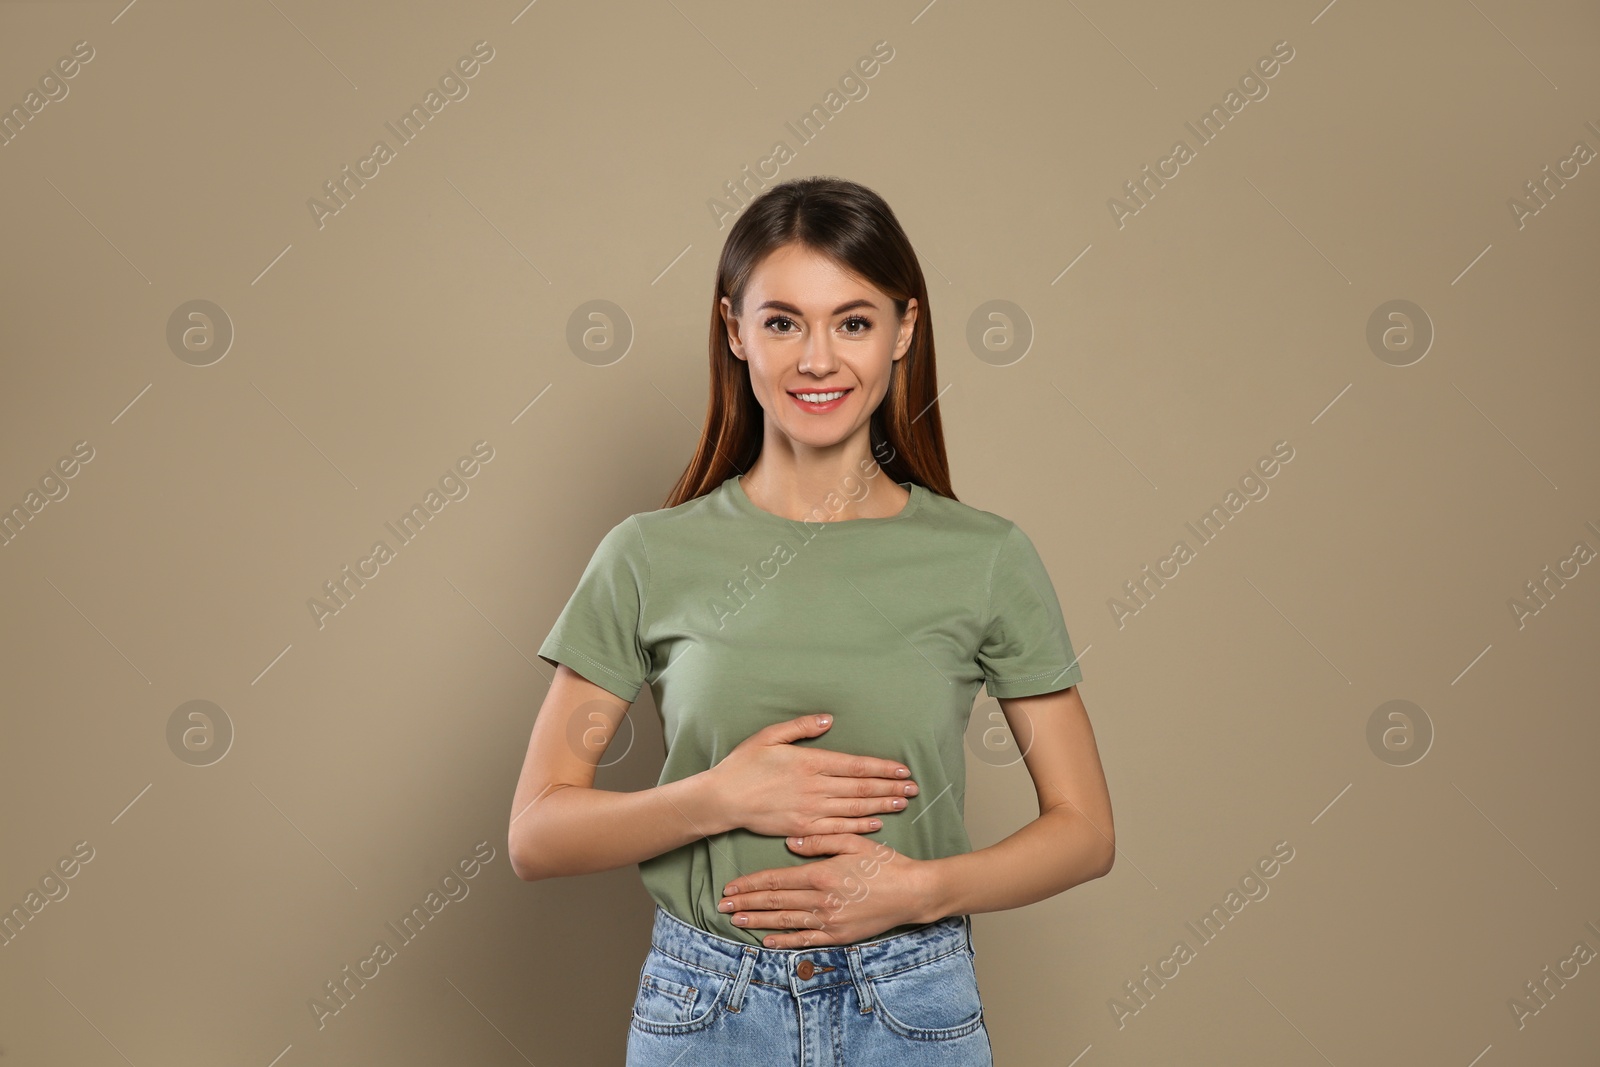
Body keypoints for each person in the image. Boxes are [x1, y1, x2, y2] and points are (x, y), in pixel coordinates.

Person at [507, 176, 1115, 1065]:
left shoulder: (985, 557)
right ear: (734, 330)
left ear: (905, 329)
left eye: (854, 321)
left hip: (914, 1004)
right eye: (784, 321)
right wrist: (718, 796)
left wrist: (920, 889)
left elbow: (1086, 829)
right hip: (706, 1008)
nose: (817, 359)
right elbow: (537, 833)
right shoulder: (646, 555)